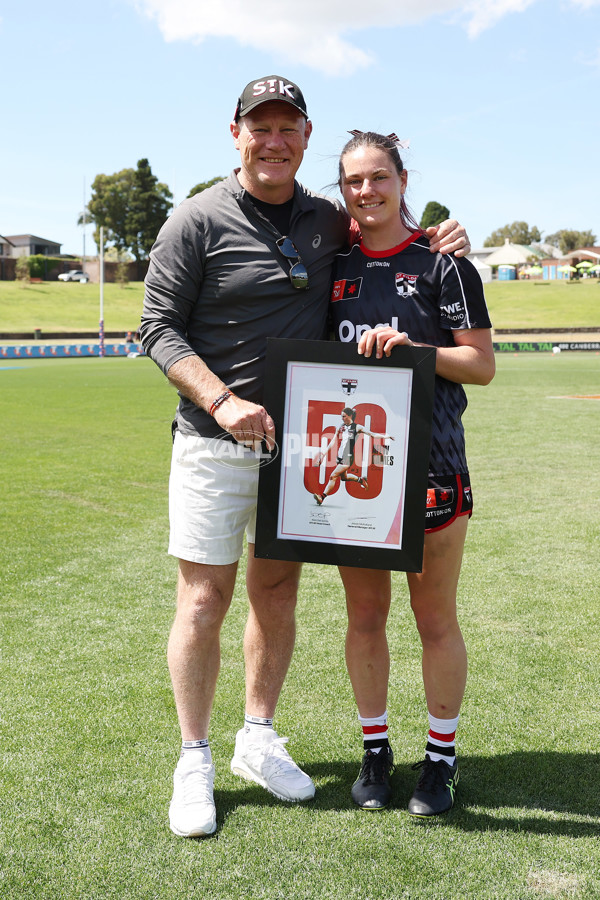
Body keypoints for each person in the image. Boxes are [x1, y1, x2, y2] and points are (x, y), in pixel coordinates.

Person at [139, 77, 471, 838]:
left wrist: (443, 236)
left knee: (277, 593)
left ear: (306, 136)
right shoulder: (195, 217)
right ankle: (194, 757)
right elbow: (157, 328)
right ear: (235, 134)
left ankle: (257, 737)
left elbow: (386, 230)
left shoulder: (325, 218)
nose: (274, 141)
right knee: (202, 601)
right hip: (213, 441)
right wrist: (221, 401)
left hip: (298, 448)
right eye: (260, 127)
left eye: (288, 128)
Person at [328, 131, 495, 817]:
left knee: (434, 620)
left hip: (434, 465)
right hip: (356, 470)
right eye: (353, 181)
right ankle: (375, 751)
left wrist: (413, 351)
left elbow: (481, 365)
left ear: (402, 180)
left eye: (379, 177)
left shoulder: (444, 263)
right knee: (365, 617)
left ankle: (441, 759)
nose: (366, 191)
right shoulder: (331, 262)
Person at [312, 407, 394, 505]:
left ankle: (322, 497)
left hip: (348, 457)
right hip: (340, 456)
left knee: (333, 476)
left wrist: (386, 436)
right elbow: (333, 441)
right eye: (341, 416)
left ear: (350, 416)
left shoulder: (357, 427)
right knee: (344, 478)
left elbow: (372, 434)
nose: (342, 418)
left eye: (344, 416)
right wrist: (323, 456)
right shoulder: (341, 427)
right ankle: (361, 480)